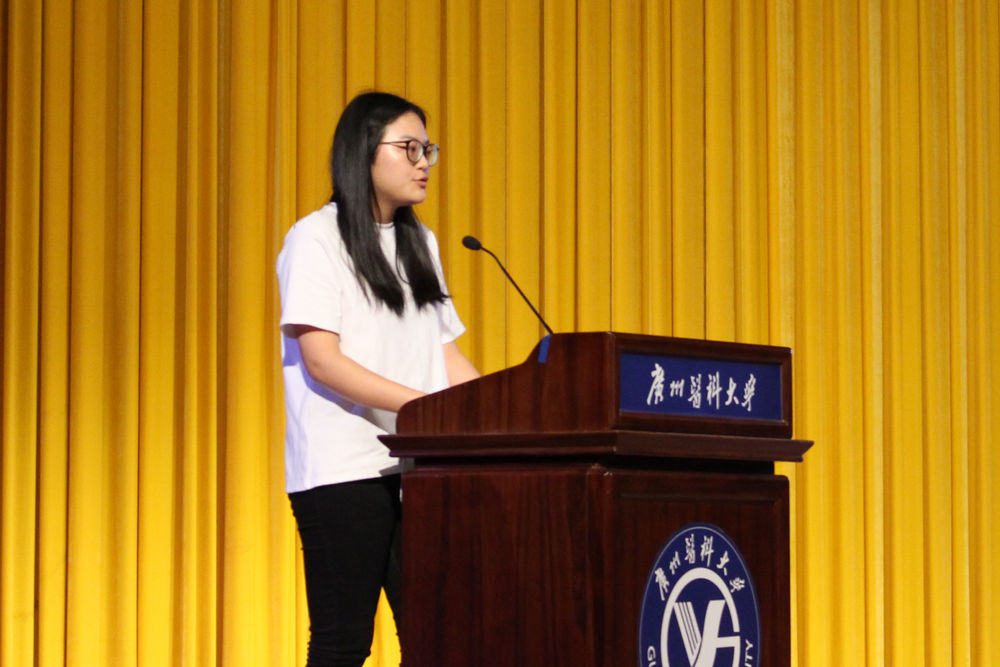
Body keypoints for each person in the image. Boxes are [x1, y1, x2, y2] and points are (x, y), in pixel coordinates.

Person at [276, 91, 479, 667]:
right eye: (409, 148)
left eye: (428, 150)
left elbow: (444, 352)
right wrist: (424, 410)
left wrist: (498, 411)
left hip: (416, 469)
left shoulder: (421, 242)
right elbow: (323, 360)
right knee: (344, 643)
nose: (423, 163)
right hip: (344, 470)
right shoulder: (316, 238)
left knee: (439, 637)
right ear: (363, 152)